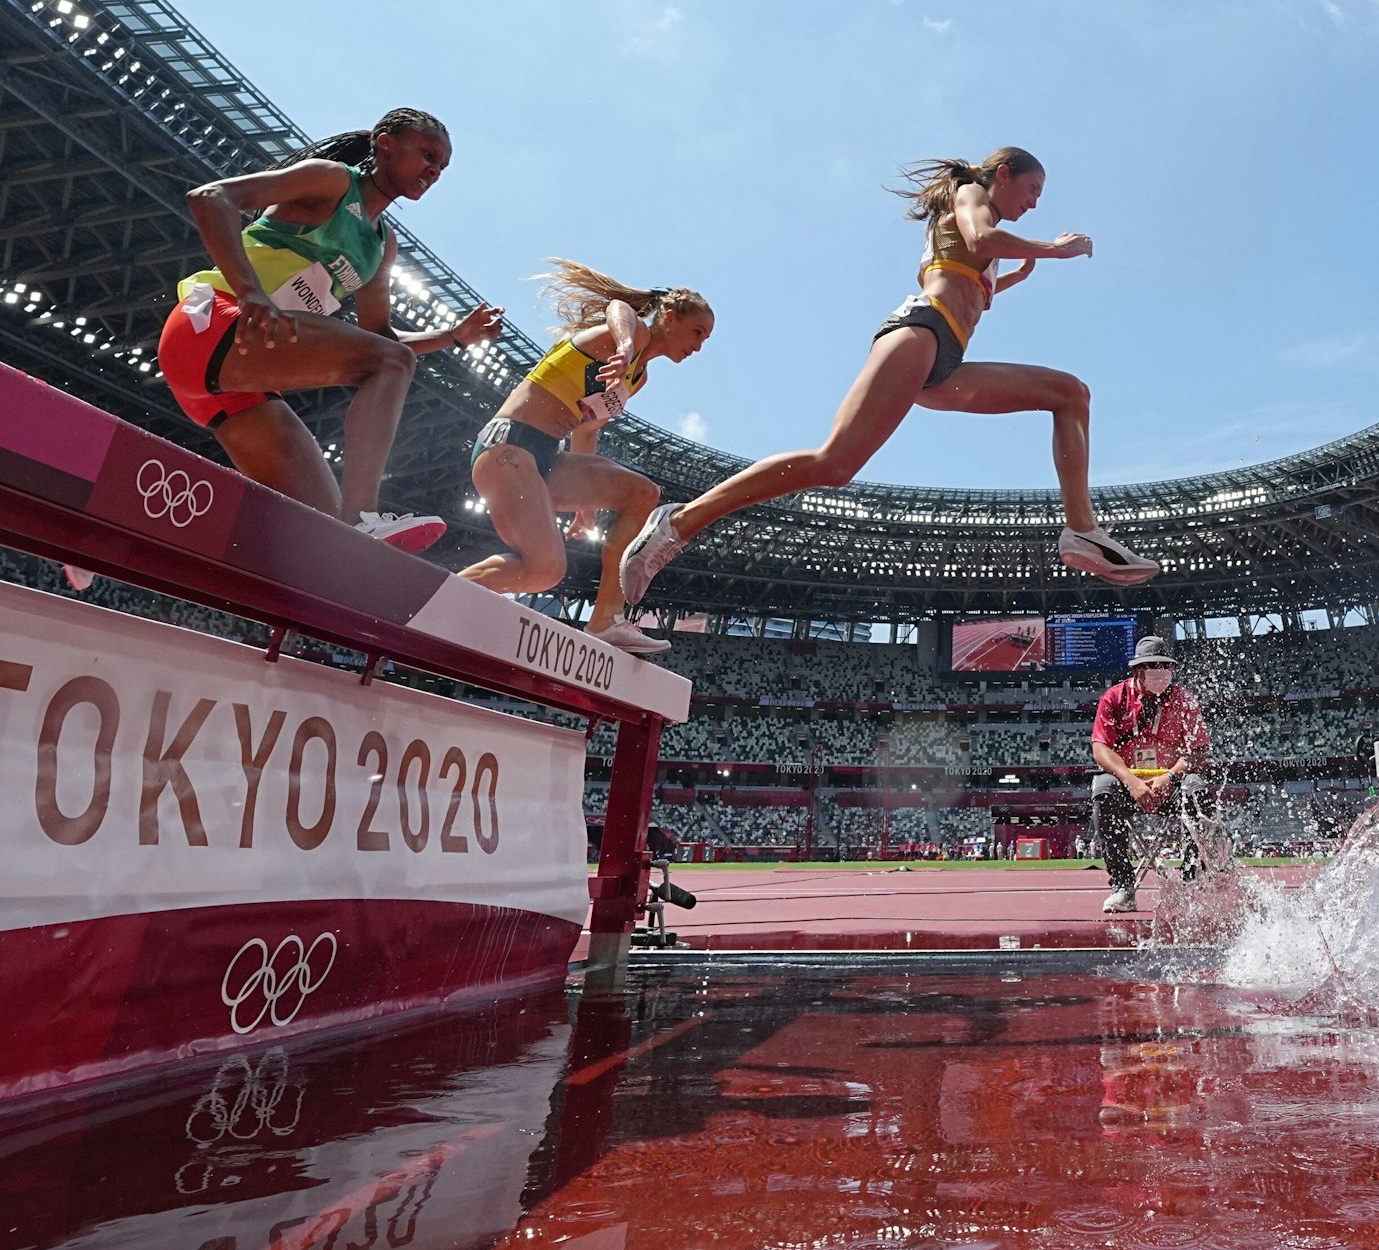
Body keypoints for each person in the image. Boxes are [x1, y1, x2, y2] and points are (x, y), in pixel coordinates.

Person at [617, 148, 1159, 602]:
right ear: (1003, 174)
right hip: (918, 335)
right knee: (833, 464)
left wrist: (1011, 275)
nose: (1036, 202)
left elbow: (973, 285)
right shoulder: (971, 194)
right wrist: (1051, 250)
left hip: (946, 361)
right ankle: (679, 522)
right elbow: (978, 242)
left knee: (1070, 393)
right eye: (1033, 188)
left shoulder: (989, 237)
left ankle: (1081, 532)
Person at [163, 107, 503, 549]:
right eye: (427, 155)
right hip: (210, 324)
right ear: (385, 143)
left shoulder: (382, 244)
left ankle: (120, 522)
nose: (434, 171)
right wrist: (251, 293)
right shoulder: (332, 182)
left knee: (320, 536)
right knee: (390, 367)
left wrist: (455, 337)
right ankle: (364, 518)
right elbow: (210, 198)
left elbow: (381, 339)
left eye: (441, 167)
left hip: (239, 383)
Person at [458, 261, 713, 653]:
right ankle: (445, 592)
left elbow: (587, 429)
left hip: (546, 459)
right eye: (696, 332)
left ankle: (605, 621)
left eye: (705, 340)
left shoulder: (637, 377)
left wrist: (586, 510)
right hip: (508, 447)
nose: (697, 346)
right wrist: (627, 347)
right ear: (669, 315)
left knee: (641, 494)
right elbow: (618, 308)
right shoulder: (625, 335)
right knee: (546, 568)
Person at [1089, 637, 1215, 914]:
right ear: (1137, 670)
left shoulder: (1183, 699)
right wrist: (1132, 782)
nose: (1159, 671)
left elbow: (1199, 751)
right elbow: (1100, 748)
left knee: (1196, 788)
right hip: (1128, 782)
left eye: (1164, 666)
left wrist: (1168, 777)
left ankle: (1191, 881)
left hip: (1172, 782)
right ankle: (1122, 886)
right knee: (1102, 787)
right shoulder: (1114, 697)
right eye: (1151, 666)